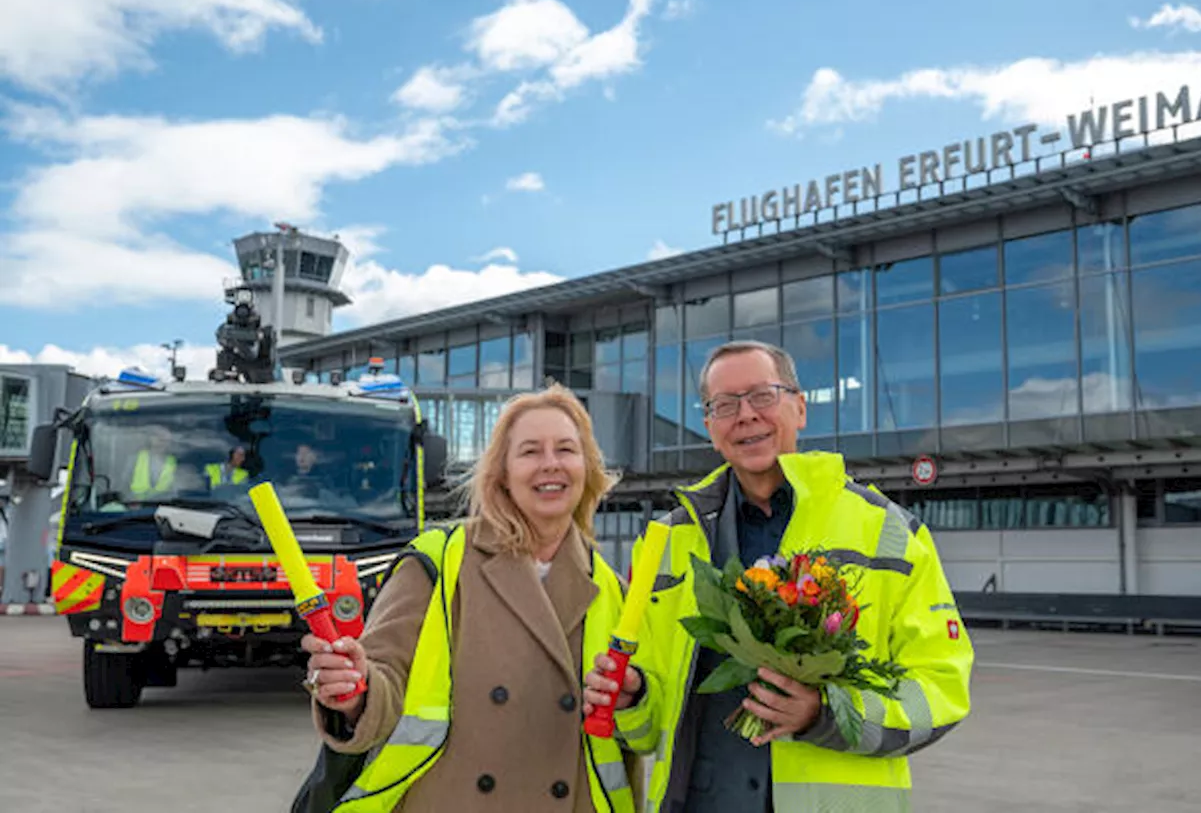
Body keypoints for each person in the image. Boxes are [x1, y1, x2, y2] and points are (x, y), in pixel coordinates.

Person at [629, 340, 973, 812]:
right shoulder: (666, 542)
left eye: (763, 396)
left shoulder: (888, 531)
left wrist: (828, 714)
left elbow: (941, 688)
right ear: (710, 428)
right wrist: (633, 695)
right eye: (724, 405)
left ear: (800, 408)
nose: (745, 414)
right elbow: (649, 724)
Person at [299, 384, 661, 812]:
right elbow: (383, 684)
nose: (551, 465)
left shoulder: (616, 589)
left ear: (587, 469)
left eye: (566, 449)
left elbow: (647, 734)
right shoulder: (439, 561)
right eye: (530, 452)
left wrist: (634, 699)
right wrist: (352, 693)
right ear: (503, 473)